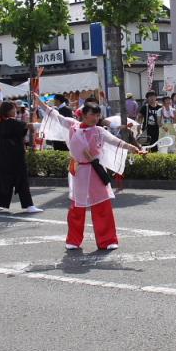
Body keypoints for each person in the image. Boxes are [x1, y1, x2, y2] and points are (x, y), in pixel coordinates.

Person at [36, 94, 145, 250]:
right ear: (84, 115)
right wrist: (40, 102)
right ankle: (73, 240)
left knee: (102, 206)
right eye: (92, 115)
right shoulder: (73, 126)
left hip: (95, 170)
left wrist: (133, 148)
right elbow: (55, 116)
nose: (95, 118)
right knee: (77, 208)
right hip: (79, 171)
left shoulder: (99, 131)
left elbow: (115, 141)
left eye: (97, 115)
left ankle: (108, 240)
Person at [0, 101, 42, 214]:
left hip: (3, 154)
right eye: (13, 109)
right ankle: (29, 205)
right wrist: (43, 125)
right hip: (15, 154)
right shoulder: (11, 122)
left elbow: (20, 128)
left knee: (2, 178)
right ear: (8, 111)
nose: (15, 110)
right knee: (21, 178)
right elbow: (27, 126)